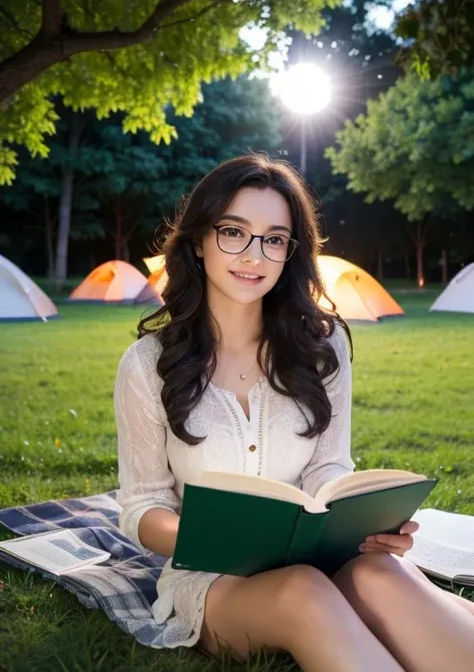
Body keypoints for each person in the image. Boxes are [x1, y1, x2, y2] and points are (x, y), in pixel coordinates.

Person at [114, 154, 474, 672]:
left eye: (274, 238)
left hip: (319, 555)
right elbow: (142, 506)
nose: (253, 255)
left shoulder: (322, 346)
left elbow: (330, 468)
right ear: (198, 240)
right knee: (303, 590)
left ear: (290, 252)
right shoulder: (148, 365)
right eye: (234, 231)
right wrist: (214, 536)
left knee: (381, 573)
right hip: (216, 579)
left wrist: (367, 525)